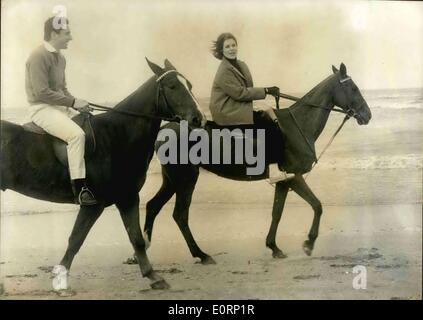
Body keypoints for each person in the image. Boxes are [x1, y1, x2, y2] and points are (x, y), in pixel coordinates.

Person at [25, 16, 97, 205]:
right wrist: (73, 102)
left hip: (59, 108)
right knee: (77, 136)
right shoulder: (38, 56)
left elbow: (62, 89)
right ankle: (80, 190)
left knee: (92, 124)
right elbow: (41, 92)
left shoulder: (61, 58)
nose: (70, 38)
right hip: (41, 109)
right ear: (54, 34)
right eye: (67, 34)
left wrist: (79, 104)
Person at [209, 32, 295, 183]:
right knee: (270, 128)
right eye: (227, 46)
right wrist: (266, 91)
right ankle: (273, 171)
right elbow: (240, 93)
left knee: (270, 117)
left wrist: (264, 97)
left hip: (238, 108)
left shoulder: (241, 65)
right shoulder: (223, 70)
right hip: (227, 113)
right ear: (221, 51)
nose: (231, 49)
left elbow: (248, 89)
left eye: (233, 45)